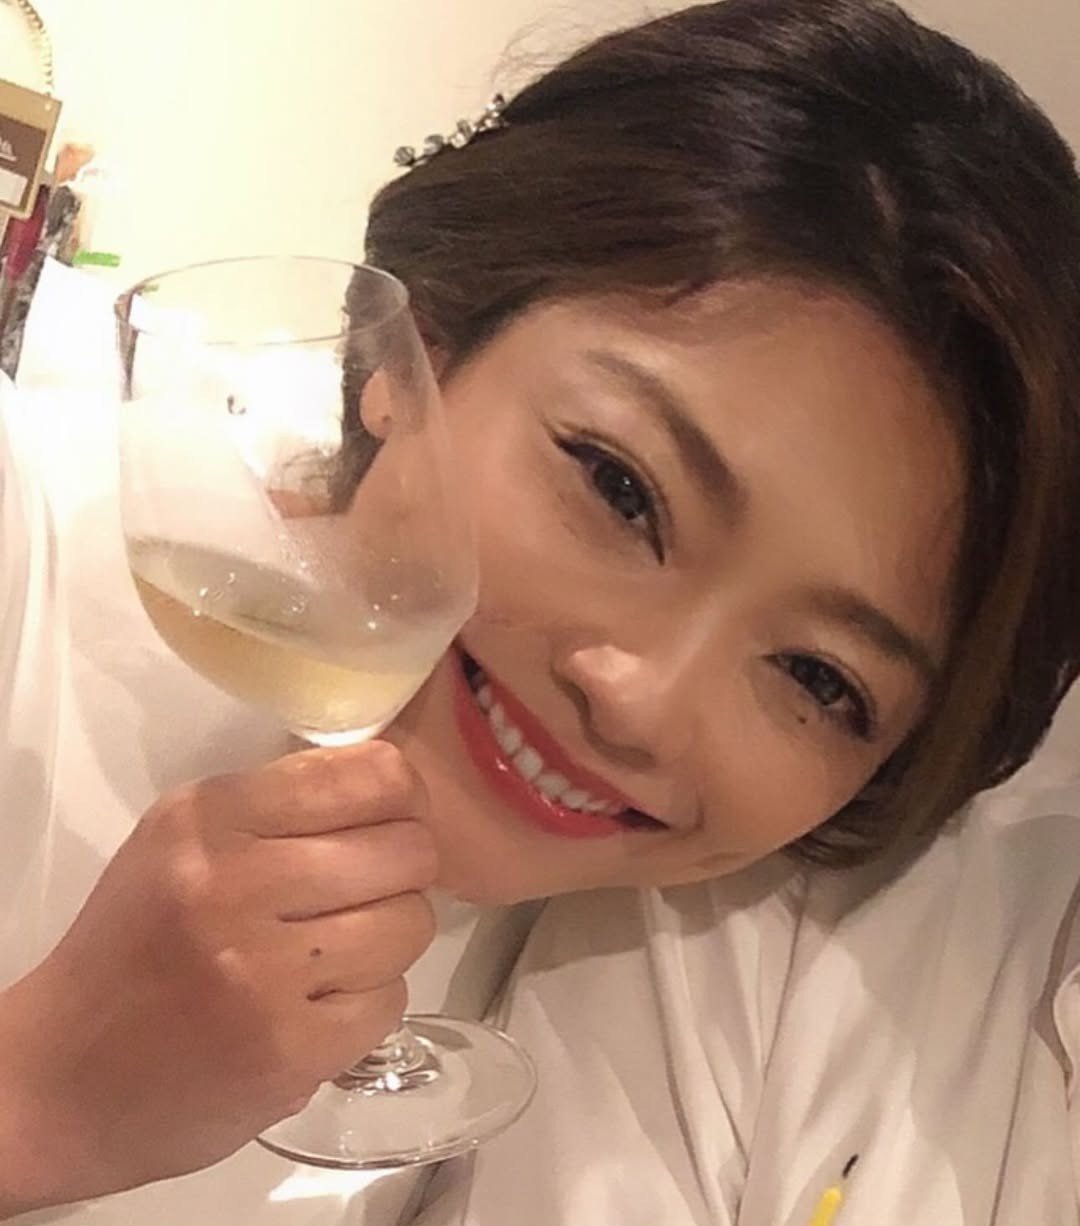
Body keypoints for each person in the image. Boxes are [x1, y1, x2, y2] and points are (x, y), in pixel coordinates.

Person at [2, 0, 1080, 1222]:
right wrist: (43, 1100)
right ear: (421, 344)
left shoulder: (624, 976)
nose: (641, 701)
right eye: (620, 489)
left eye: (818, 678)